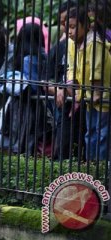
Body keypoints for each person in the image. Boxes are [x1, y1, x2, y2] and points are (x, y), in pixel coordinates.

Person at [66, 7, 111, 162]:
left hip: (102, 95)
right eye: (67, 28)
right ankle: (90, 166)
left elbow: (96, 70)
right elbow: (73, 68)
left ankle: (100, 167)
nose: (69, 32)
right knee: (90, 132)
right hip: (87, 95)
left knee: (102, 133)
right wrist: (78, 92)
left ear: (85, 25)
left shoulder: (94, 42)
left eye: (72, 27)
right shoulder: (72, 44)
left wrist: (97, 93)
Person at [0, 23, 48, 156]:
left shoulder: (26, 60)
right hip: (40, 104)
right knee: (31, 139)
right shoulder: (44, 56)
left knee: (19, 139)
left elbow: (31, 85)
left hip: (23, 105)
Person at [43, 0, 80, 160]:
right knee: (63, 145)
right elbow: (46, 80)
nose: (67, 27)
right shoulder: (59, 47)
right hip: (63, 107)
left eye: (71, 23)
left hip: (87, 103)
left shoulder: (94, 46)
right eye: (64, 23)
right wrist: (58, 89)